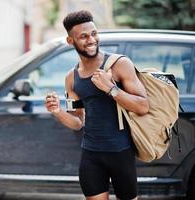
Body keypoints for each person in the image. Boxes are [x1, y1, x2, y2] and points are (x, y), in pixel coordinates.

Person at [45, 10, 149, 200]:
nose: (91, 40)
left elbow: (143, 106)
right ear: (70, 41)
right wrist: (58, 111)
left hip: (121, 153)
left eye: (93, 34)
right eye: (83, 36)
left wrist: (110, 89)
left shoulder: (119, 64)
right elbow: (78, 122)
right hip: (91, 156)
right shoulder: (71, 78)